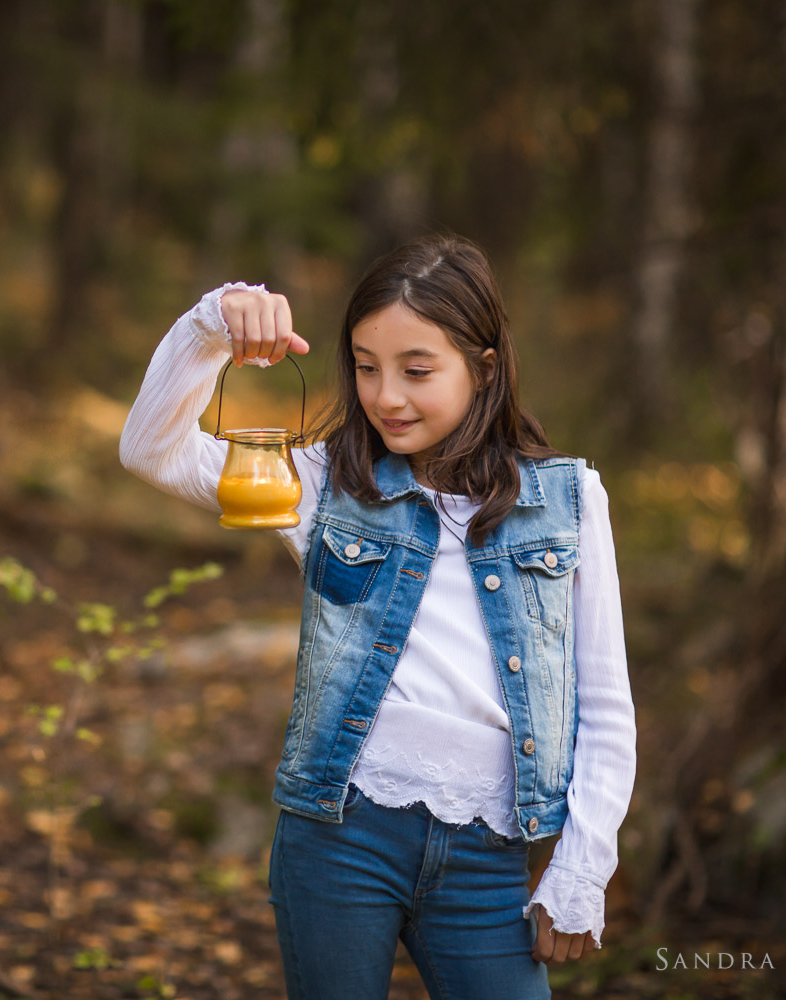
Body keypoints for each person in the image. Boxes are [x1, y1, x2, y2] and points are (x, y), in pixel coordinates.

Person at [118, 234, 637, 1000]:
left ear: (483, 368)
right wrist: (210, 326)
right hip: (338, 838)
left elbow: (604, 705)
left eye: (416, 370)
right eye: (366, 367)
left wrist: (581, 867)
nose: (386, 395)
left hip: (489, 857)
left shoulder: (566, 503)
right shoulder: (328, 484)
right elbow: (150, 450)